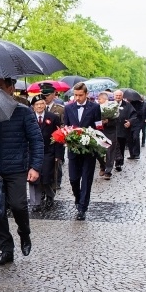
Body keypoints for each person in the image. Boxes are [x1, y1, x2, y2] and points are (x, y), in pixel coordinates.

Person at [0, 78, 43, 266]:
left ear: (11, 89)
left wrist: (35, 166)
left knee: (18, 205)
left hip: (16, 168)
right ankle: (6, 249)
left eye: (0, 87)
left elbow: (36, 140)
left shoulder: (23, 112)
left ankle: (24, 233)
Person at [63, 82, 102, 221]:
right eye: (75, 95)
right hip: (73, 150)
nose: (77, 98)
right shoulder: (68, 108)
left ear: (86, 94)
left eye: (80, 95)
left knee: (86, 179)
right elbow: (65, 126)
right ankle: (78, 198)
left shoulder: (95, 107)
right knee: (73, 179)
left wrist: (93, 136)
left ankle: (82, 208)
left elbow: (99, 127)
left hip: (89, 150)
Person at [28, 95, 63, 211]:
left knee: (46, 178)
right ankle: (35, 203)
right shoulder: (29, 117)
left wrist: (58, 155)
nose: (40, 106)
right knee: (33, 178)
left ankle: (50, 196)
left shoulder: (52, 117)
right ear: (33, 106)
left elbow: (59, 137)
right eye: (37, 104)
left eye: (42, 104)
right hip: (32, 153)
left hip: (48, 152)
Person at [113, 90, 137, 172]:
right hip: (112, 129)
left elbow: (134, 115)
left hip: (122, 129)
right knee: (113, 147)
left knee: (121, 146)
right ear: (114, 96)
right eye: (116, 95)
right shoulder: (110, 104)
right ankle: (114, 161)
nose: (118, 97)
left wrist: (130, 122)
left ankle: (119, 163)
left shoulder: (127, 105)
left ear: (122, 96)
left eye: (119, 95)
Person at [96, 92, 117, 181]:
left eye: (99, 99)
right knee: (98, 152)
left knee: (109, 152)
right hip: (100, 132)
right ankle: (102, 165)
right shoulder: (96, 107)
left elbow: (117, 121)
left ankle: (108, 171)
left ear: (104, 99)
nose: (98, 100)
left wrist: (108, 121)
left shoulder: (113, 108)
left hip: (110, 133)